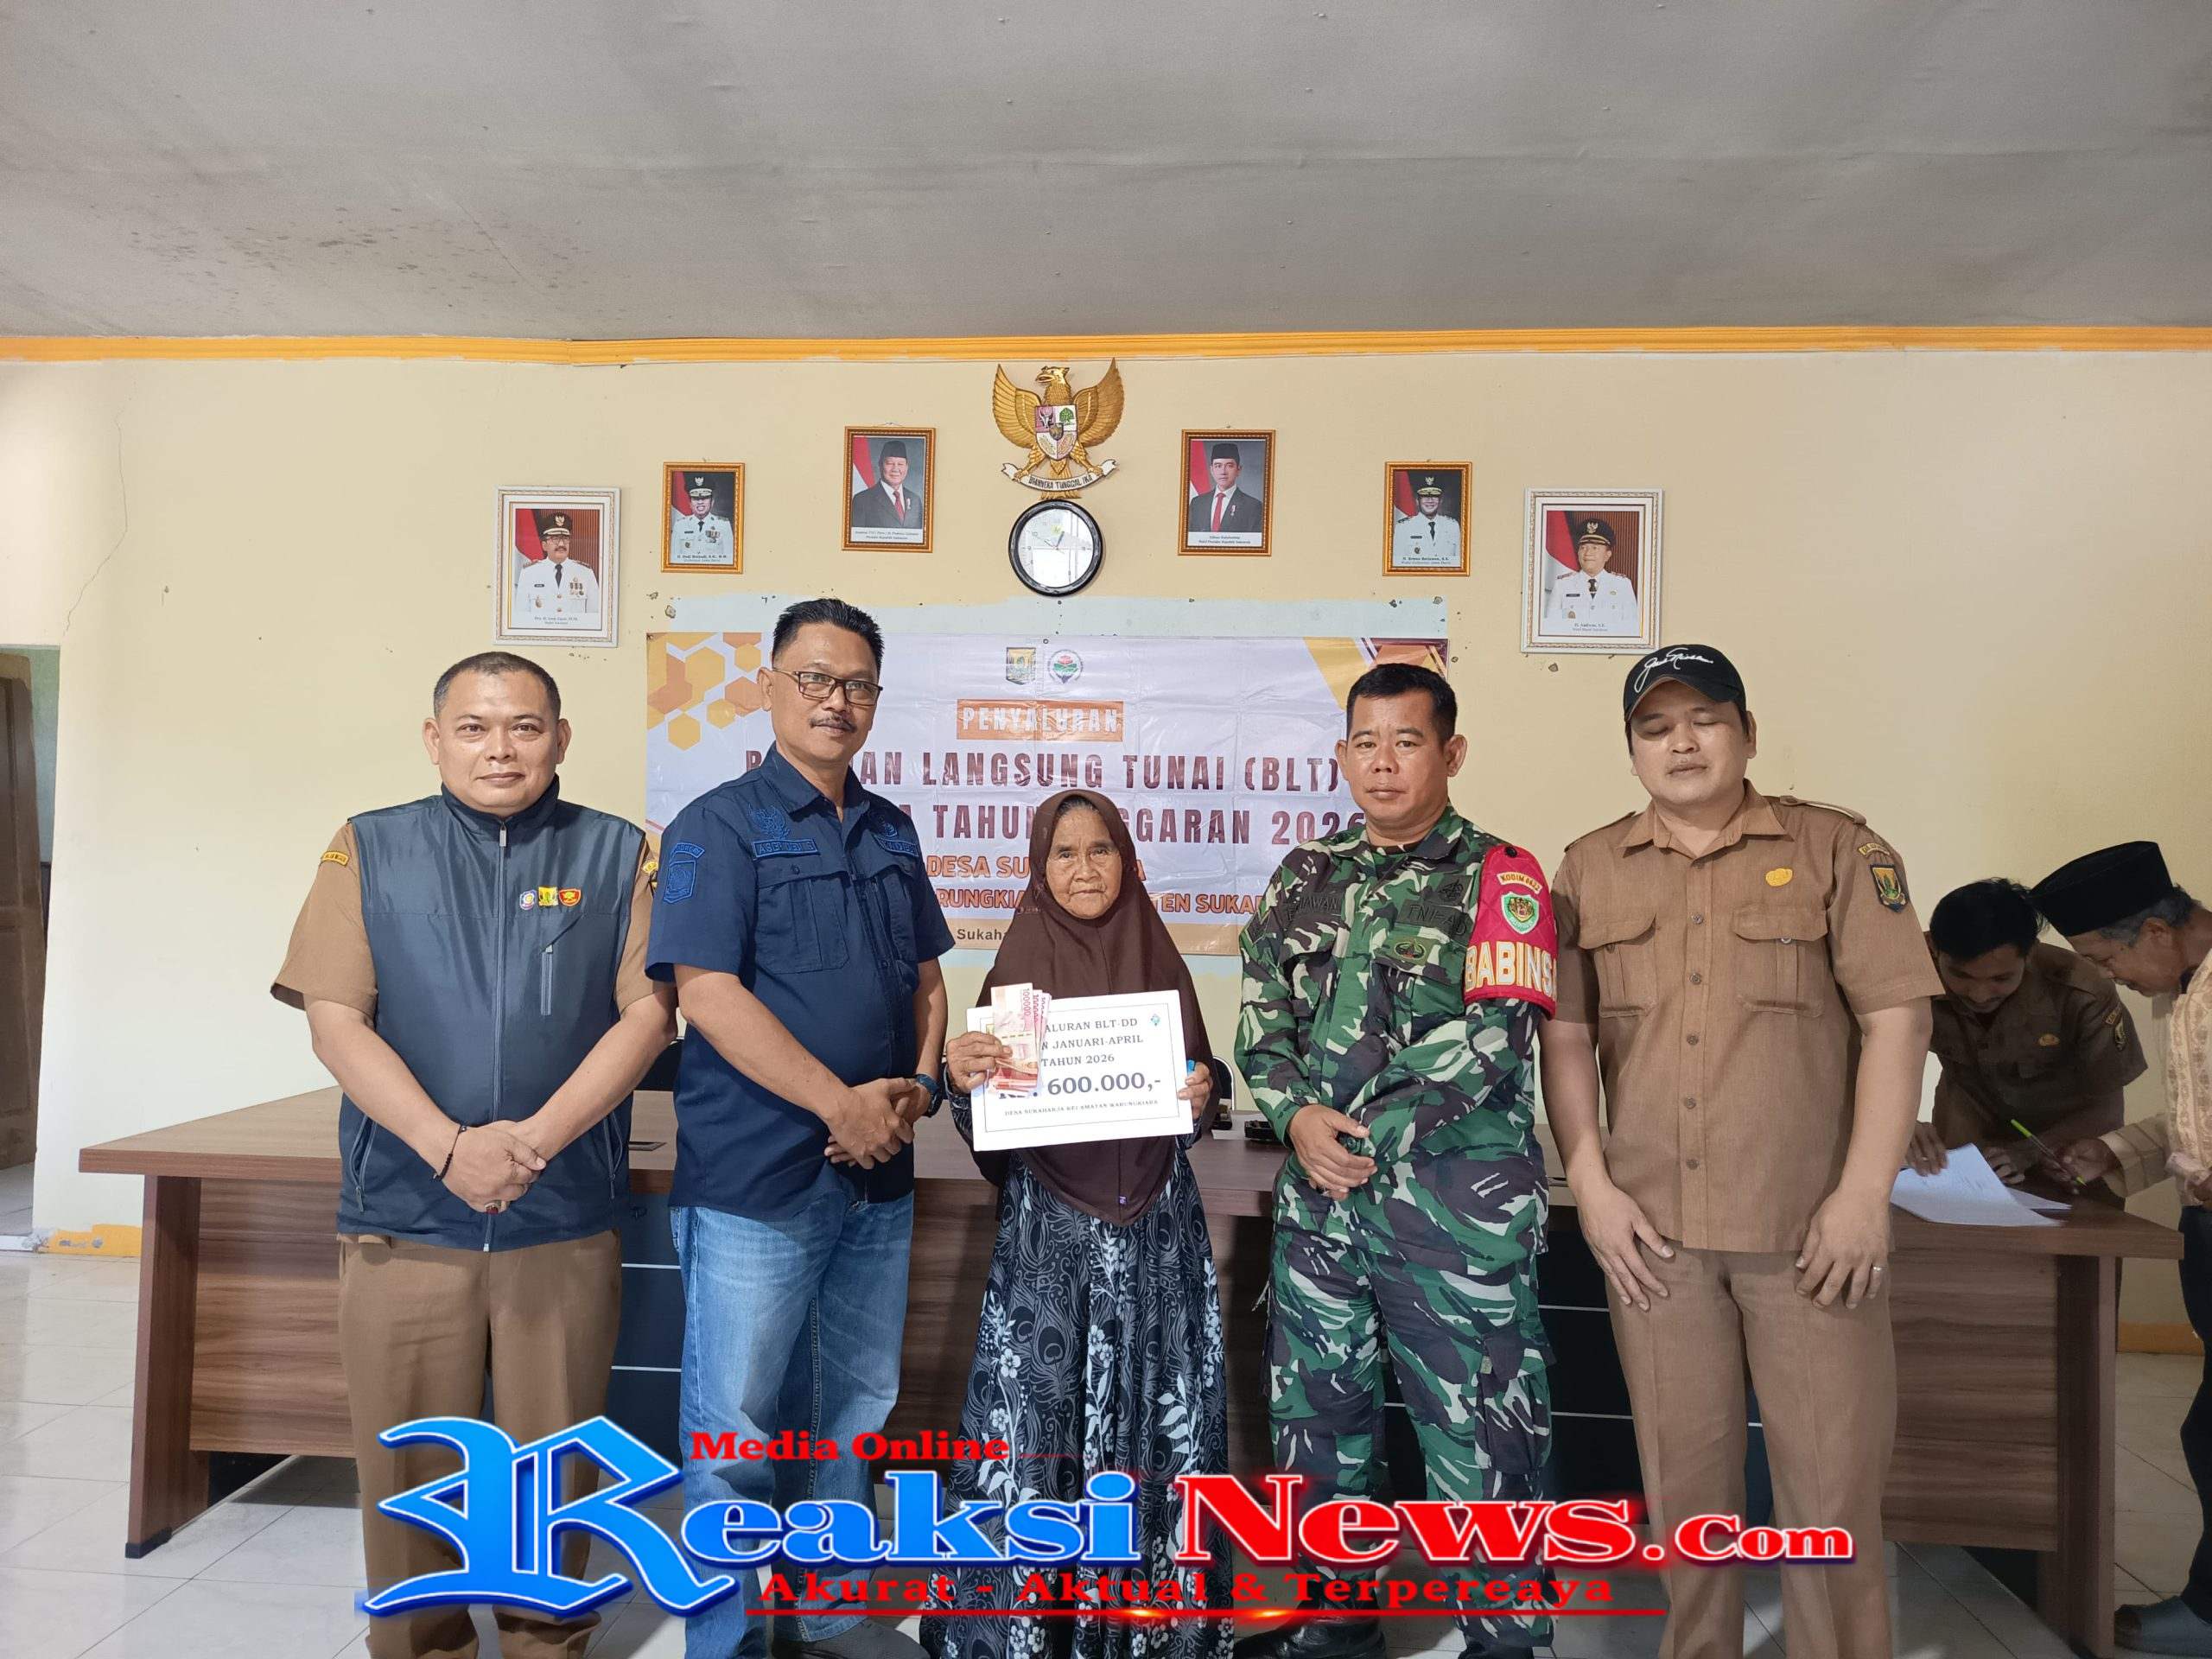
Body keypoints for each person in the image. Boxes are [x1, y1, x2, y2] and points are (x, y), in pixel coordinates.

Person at [1539, 644, 1940, 1659]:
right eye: (1655, 728)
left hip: (1807, 1236)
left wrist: (1863, 1196)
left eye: (1704, 720)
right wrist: (1588, 1184)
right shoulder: (1587, 867)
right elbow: (1567, 1038)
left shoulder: (1837, 849)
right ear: (1632, 748)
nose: (1680, 743)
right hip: (1652, 1241)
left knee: (1829, 1499)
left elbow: (1897, 1023)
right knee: (1684, 1497)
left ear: (1747, 734)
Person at [271, 651, 674, 1659]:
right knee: (408, 1465)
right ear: (434, 739)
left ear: (561, 739)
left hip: (561, 1210)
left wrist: (531, 1144)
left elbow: (648, 1014)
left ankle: (546, 1642)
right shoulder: (369, 846)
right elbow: (335, 1019)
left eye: (525, 727)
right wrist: (446, 1148)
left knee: (555, 1464)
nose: (501, 748)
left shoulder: (619, 852)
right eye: (475, 727)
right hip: (404, 1211)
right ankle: (421, 1644)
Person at [1235, 662, 1560, 1659]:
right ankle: (1336, 1626)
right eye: (1365, 744)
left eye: (1406, 742)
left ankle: (1505, 1640)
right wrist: (1294, 1117)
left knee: (1483, 1443)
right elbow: (1260, 1018)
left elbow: (1494, 1036)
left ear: (1450, 753)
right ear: (1342, 755)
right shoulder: (1304, 875)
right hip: (1321, 1221)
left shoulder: (1502, 876)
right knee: (1318, 1433)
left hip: (1453, 1220)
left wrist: (1348, 1131)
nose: (1383, 763)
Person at [647, 596, 953, 1659]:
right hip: (757, 1177)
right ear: (769, 686)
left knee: (851, 1414)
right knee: (733, 1433)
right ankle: (724, 1638)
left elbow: (925, 981)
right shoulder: (715, 826)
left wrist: (918, 1088)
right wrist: (841, 1105)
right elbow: (706, 993)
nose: (836, 701)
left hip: (875, 1179)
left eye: (856, 684)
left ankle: (830, 1617)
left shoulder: (891, 827)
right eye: (815, 679)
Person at [920, 790, 1232, 1659]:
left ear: (1128, 861)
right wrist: (962, 1079)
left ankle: (1153, 1633)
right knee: (1033, 1432)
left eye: (1101, 850)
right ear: (1039, 868)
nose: (1084, 869)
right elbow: (987, 1126)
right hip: (1046, 1245)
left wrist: (1203, 1090)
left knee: (1160, 1425)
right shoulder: (1017, 969)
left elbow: (1198, 1093)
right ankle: (1021, 1633)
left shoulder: (1158, 958)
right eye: (1064, 853)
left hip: (1157, 1240)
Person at [2042, 844, 2212, 1656]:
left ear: (2154, 931)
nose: (2110, 979)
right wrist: (2113, 1151)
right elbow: (2193, 1129)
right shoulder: (2186, 993)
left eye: (2107, 960)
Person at [1904, 877, 2144, 1200]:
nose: (1979, 994)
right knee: (1951, 1217)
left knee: (2077, 1226)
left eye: (2001, 978)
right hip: (1965, 1129)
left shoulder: (2082, 991)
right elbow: (1861, 1054)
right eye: (1960, 975)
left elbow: (2108, 1108)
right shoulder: (1907, 973)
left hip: (2066, 1145)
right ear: (1934, 948)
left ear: (2029, 953)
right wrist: (1901, 1122)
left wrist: (2027, 1151)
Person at [1541, 517, 1637, 635]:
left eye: (1595, 548)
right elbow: (1551, 628)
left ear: (1607, 555)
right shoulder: (1562, 585)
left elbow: (1631, 630)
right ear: (1578, 553)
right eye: (1583, 548)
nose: (1587, 553)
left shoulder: (1622, 585)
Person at [512, 512, 603, 625]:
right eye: (555, 538)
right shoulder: (529, 573)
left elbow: (594, 618)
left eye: (565, 538)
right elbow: (522, 618)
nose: (561, 544)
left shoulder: (585, 573)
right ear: (544, 545)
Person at [1187, 441, 1263, 537]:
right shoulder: (1197, 503)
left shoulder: (1253, 506)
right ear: (1212, 470)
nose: (1223, 472)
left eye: (1229, 466)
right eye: (1218, 466)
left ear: (1238, 470)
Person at [849, 440, 925, 531]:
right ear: (880, 465)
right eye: (890, 463)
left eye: (900, 464)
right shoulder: (862, 500)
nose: (895, 469)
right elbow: (857, 537)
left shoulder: (915, 500)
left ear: (907, 467)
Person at [1390, 475, 1462, 568]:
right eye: (1425, 496)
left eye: (1434, 496)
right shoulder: (1403, 527)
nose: (1430, 500)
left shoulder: (1453, 526)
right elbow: (1398, 565)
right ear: (1417, 501)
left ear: (1440, 501)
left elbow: (1458, 564)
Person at [671, 474, 735, 563]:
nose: (700, 502)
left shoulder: (723, 525)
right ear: (690, 503)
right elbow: (674, 560)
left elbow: (729, 560)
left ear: (712, 502)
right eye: (695, 498)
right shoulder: (680, 525)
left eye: (704, 498)